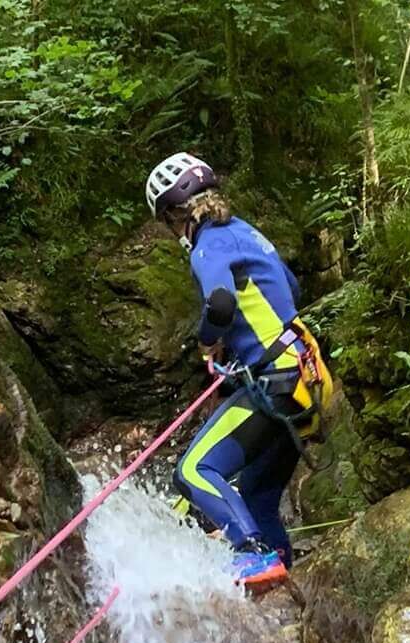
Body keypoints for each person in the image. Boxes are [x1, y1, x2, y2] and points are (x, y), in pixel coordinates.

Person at [145, 152, 333, 592]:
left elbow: (222, 303)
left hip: (276, 381)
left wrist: (209, 339)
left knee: (192, 471)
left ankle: (250, 552)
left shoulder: (209, 243)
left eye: (169, 223)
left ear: (177, 214)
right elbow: (290, 287)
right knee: (258, 495)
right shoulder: (247, 233)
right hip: (304, 377)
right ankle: (277, 574)